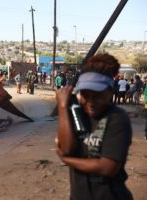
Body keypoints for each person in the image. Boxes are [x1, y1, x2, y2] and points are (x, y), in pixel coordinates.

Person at [55, 53, 133, 200]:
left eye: (97, 95)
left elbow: (108, 167)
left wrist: (67, 160)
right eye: (85, 95)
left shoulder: (117, 119)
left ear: (110, 92)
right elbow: (67, 148)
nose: (91, 102)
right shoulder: (75, 113)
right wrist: (63, 107)